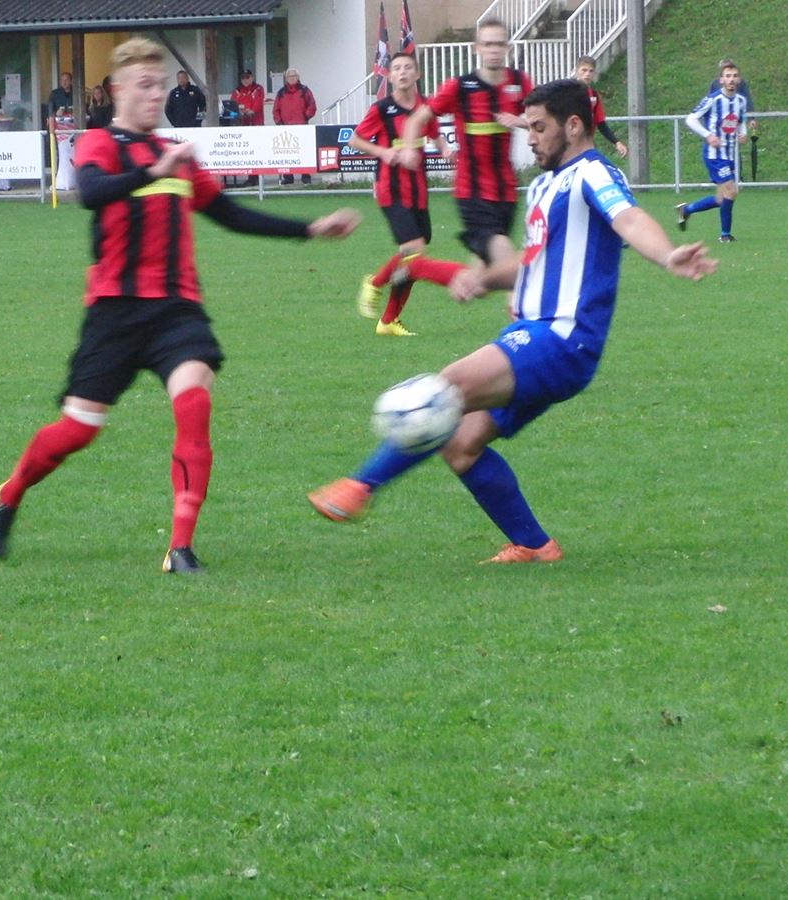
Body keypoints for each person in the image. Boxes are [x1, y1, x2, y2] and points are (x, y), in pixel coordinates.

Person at [0, 38, 361, 574]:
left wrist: (310, 229)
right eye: (144, 85)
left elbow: (229, 214)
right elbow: (90, 192)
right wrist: (153, 173)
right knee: (79, 428)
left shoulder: (175, 155)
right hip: (115, 309)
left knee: (194, 401)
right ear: (118, 90)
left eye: (160, 84)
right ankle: (9, 495)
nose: (155, 94)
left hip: (175, 309)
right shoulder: (100, 143)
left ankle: (180, 547)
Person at [308, 79, 718, 563]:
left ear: (573, 126)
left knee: (446, 389)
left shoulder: (592, 173)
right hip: (533, 335)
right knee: (461, 444)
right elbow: (533, 262)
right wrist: (483, 278)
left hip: (563, 336)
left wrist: (668, 255)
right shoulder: (544, 185)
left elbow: (628, 218)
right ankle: (535, 545)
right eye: (528, 127)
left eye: (539, 128)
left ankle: (360, 485)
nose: (531, 139)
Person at [397, 18, 535, 276]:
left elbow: (545, 122)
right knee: (510, 266)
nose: (494, 50)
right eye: (488, 44)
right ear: (476, 48)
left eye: (499, 44)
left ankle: (417, 269)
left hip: (506, 191)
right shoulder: (459, 87)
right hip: (472, 192)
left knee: (481, 278)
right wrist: (407, 149)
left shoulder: (519, 82)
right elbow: (416, 119)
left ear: (507, 47)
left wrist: (521, 122)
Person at [347, 52, 463, 337]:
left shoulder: (425, 107)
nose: (402, 72)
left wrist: (445, 150)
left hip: (418, 188)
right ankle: (375, 283)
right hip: (391, 187)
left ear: (417, 74)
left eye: (408, 67)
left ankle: (388, 320)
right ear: (389, 76)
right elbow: (355, 140)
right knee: (414, 252)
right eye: (397, 68)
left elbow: (434, 133)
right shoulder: (382, 108)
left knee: (411, 257)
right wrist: (383, 152)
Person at [677, 61, 750, 242]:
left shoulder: (741, 101)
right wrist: (708, 135)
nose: (731, 79)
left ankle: (686, 210)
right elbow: (691, 119)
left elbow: (740, 121)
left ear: (739, 80)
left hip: (729, 155)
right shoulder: (713, 99)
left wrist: (743, 134)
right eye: (727, 76)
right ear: (721, 80)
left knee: (721, 198)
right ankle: (725, 235)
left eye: (734, 76)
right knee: (731, 191)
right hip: (714, 155)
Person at [572, 56, 627, 158]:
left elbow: (600, 123)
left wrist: (616, 142)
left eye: (591, 71)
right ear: (576, 71)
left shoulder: (594, 96)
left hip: (586, 143)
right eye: (584, 70)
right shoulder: (566, 93)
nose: (587, 74)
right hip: (568, 144)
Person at [272, 68, 318, 184]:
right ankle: (288, 177)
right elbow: (276, 109)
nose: (291, 78)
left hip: (301, 126)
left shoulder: (305, 90)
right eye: (289, 76)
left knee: (304, 151)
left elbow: (312, 105)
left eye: (294, 76)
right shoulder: (281, 92)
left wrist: (305, 116)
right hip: (285, 127)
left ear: (298, 77)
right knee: (286, 152)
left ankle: (305, 175)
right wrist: (279, 123)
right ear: (286, 78)